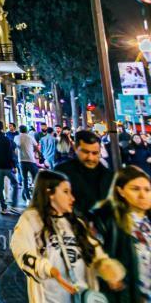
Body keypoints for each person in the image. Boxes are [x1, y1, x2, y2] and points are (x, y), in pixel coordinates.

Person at [11, 170, 125, 303]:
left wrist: (109, 271)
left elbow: (95, 252)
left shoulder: (77, 222)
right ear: (50, 193)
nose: (72, 198)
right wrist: (49, 270)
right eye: (66, 192)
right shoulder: (30, 219)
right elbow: (20, 249)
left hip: (83, 297)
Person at [91, 165, 151, 302]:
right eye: (135, 189)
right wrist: (109, 272)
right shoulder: (106, 219)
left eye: (147, 190)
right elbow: (94, 253)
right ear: (121, 191)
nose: (143, 195)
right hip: (130, 295)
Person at [56, 130, 114, 217]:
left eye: (95, 153)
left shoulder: (108, 176)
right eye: (85, 152)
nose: (90, 157)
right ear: (76, 149)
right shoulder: (62, 172)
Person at [0, 121, 20, 214]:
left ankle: (3, 208)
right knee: (15, 184)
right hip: (7, 166)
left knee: (0, 187)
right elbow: (10, 154)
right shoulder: (6, 139)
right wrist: (14, 166)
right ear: (2, 128)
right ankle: (13, 205)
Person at [17, 125, 40, 201]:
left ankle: (27, 198)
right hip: (31, 160)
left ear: (19, 130)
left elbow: (15, 148)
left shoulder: (16, 137)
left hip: (21, 161)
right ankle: (37, 195)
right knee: (36, 177)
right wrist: (37, 153)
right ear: (26, 130)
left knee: (25, 179)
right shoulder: (30, 137)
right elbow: (37, 147)